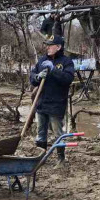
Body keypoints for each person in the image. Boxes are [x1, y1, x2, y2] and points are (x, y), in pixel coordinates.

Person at [29, 34, 74, 167]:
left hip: (56, 103)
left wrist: (53, 70)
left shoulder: (66, 62)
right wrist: (37, 76)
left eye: (50, 45)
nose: (47, 47)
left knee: (57, 133)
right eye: (47, 45)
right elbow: (32, 77)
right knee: (41, 132)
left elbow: (67, 79)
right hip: (42, 102)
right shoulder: (42, 60)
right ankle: (41, 157)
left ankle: (61, 159)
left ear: (58, 47)